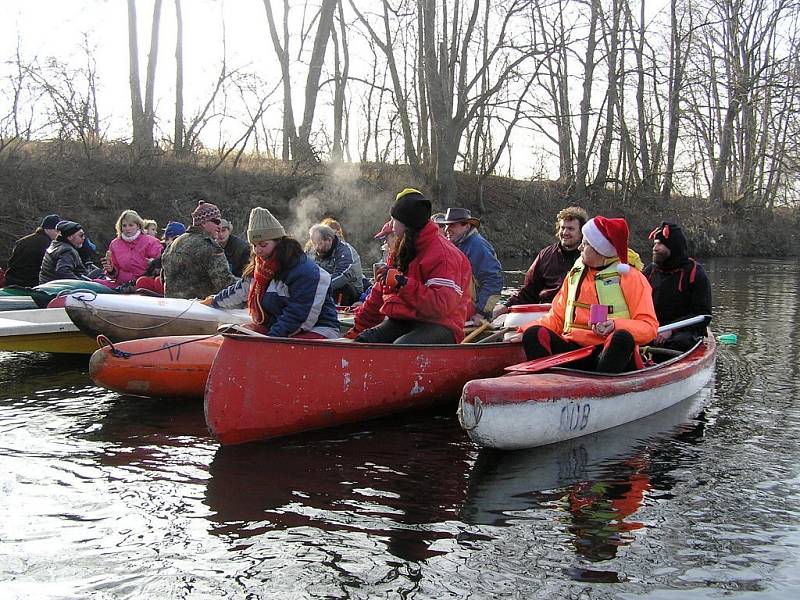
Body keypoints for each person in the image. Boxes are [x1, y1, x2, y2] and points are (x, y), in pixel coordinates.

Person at [517, 216, 658, 373]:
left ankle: (602, 388)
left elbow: (649, 328)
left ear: (600, 249)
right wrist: (523, 330)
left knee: (622, 337)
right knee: (534, 333)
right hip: (574, 350)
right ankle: (545, 384)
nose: (579, 248)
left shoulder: (631, 278)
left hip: (609, 351)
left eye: (585, 244)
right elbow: (556, 317)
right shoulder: (575, 274)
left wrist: (615, 325)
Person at [347, 188, 472, 344]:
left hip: (442, 325)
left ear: (407, 223)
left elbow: (441, 305)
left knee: (401, 346)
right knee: (365, 339)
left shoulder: (443, 255)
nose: (391, 225)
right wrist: (359, 328)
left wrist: (402, 283)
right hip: (406, 319)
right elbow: (378, 293)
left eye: (394, 220)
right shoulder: (401, 247)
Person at [204, 207, 340, 339]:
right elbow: (241, 290)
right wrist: (214, 301)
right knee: (240, 332)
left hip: (318, 328)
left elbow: (299, 315)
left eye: (263, 245)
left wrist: (270, 339)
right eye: (254, 245)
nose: (257, 250)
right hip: (278, 326)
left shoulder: (305, 272)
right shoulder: (260, 267)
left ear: (278, 242)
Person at [494, 206, 588, 319]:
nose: (565, 232)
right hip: (547, 313)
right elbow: (528, 292)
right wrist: (503, 307)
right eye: (562, 228)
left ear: (582, 232)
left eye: (570, 229)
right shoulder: (545, 255)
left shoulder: (589, 257)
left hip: (578, 314)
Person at [644, 221, 712, 350]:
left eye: (660, 244)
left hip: (681, 332)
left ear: (673, 247)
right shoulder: (649, 272)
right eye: (655, 244)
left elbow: (704, 315)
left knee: (681, 342)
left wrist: (671, 330)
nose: (655, 248)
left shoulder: (695, 273)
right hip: (652, 328)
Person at [439, 207, 504, 324]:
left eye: (452, 225)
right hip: (457, 308)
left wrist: (481, 313)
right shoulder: (454, 245)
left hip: (470, 310)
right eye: (446, 225)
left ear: (467, 226)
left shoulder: (477, 246)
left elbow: (494, 280)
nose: (447, 229)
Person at [161, 201, 237, 299]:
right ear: (204, 222)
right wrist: (247, 286)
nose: (219, 226)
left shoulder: (174, 243)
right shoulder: (210, 247)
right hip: (199, 309)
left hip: (172, 308)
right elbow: (225, 283)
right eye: (216, 222)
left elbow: (163, 279)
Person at [308, 223, 365, 306]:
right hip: (324, 288)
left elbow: (342, 276)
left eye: (319, 244)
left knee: (342, 287)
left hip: (351, 292)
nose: (316, 247)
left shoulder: (345, 251)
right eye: (314, 244)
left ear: (329, 240)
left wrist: (318, 287)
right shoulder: (314, 251)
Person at [102, 209, 163, 285]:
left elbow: (161, 265)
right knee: (92, 284)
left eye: (131, 225)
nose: (127, 228)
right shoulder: (115, 244)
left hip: (145, 285)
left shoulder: (151, 242)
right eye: (124, 225)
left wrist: (153, 264)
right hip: (121, 286)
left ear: (138, 226)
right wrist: (111, 270)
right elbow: (114, 273)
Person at [4, 214, 61, 287]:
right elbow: (48, 268)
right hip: (31, 283)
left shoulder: (22, 241)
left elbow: (11, 263)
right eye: (57, 231)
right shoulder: (47, 244)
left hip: (11, 280)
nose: (59, 234)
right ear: (47, 229)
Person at [39, 220, 105, 283]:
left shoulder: (55, 245)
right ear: (70, 237)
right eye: (81, 235)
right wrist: (81, 283)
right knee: (99, 273)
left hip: (48, 284)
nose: (84, 238)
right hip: (59, 288)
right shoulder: (66, 250)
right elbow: (63, 272)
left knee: (96, 273)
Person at [134, 221, 187, 295]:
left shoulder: (185, 253)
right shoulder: (164, 253)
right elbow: (151, 269)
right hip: (162, 283)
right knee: (142, 281)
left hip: (178, 285)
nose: (168, 242)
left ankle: (162, 292)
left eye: (172, 239)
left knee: (159, 280)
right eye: (166, 239)